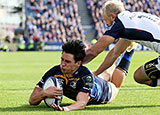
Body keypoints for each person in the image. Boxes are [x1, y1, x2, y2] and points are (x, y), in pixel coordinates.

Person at [29, 40, 134, 111]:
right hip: (94, 79)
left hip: (105, 91)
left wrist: (66, 108)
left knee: (115, 84)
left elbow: (82, 103)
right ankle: (119, 51)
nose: (63, 64)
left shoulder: (85, 77)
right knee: (105, 73)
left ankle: (129, 51)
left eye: (67, 61)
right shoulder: (55, 71)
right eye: (62, 59)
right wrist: (44, 93)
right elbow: (32, 100)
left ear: (78, 63)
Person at [83, 0, 160, 87]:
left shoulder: (120, 24)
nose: (106, 24)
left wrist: (74, 63)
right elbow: (115, 53)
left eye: (105, 20)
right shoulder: (132, 19)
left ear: (112, 16)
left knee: (139, 77)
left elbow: (93, 51)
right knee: (138, 75)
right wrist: (96, 73)